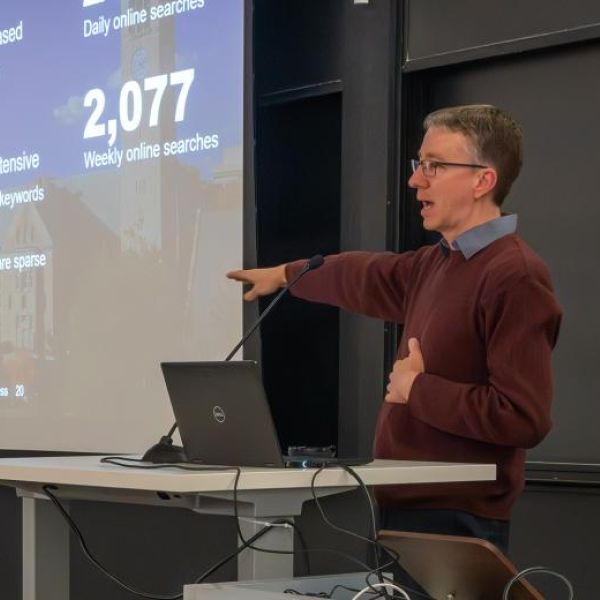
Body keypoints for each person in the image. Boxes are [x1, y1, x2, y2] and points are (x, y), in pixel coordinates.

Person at [227, 105, 562, 553]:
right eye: (418, 164)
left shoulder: (514, 275)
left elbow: (522, 417)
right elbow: (361, 275)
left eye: (434, 166)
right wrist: (286, 275)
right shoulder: (435, 263)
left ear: (484, 180)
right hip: (401, 505)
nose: (415, 180)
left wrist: (417, 389)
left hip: (458, 520)